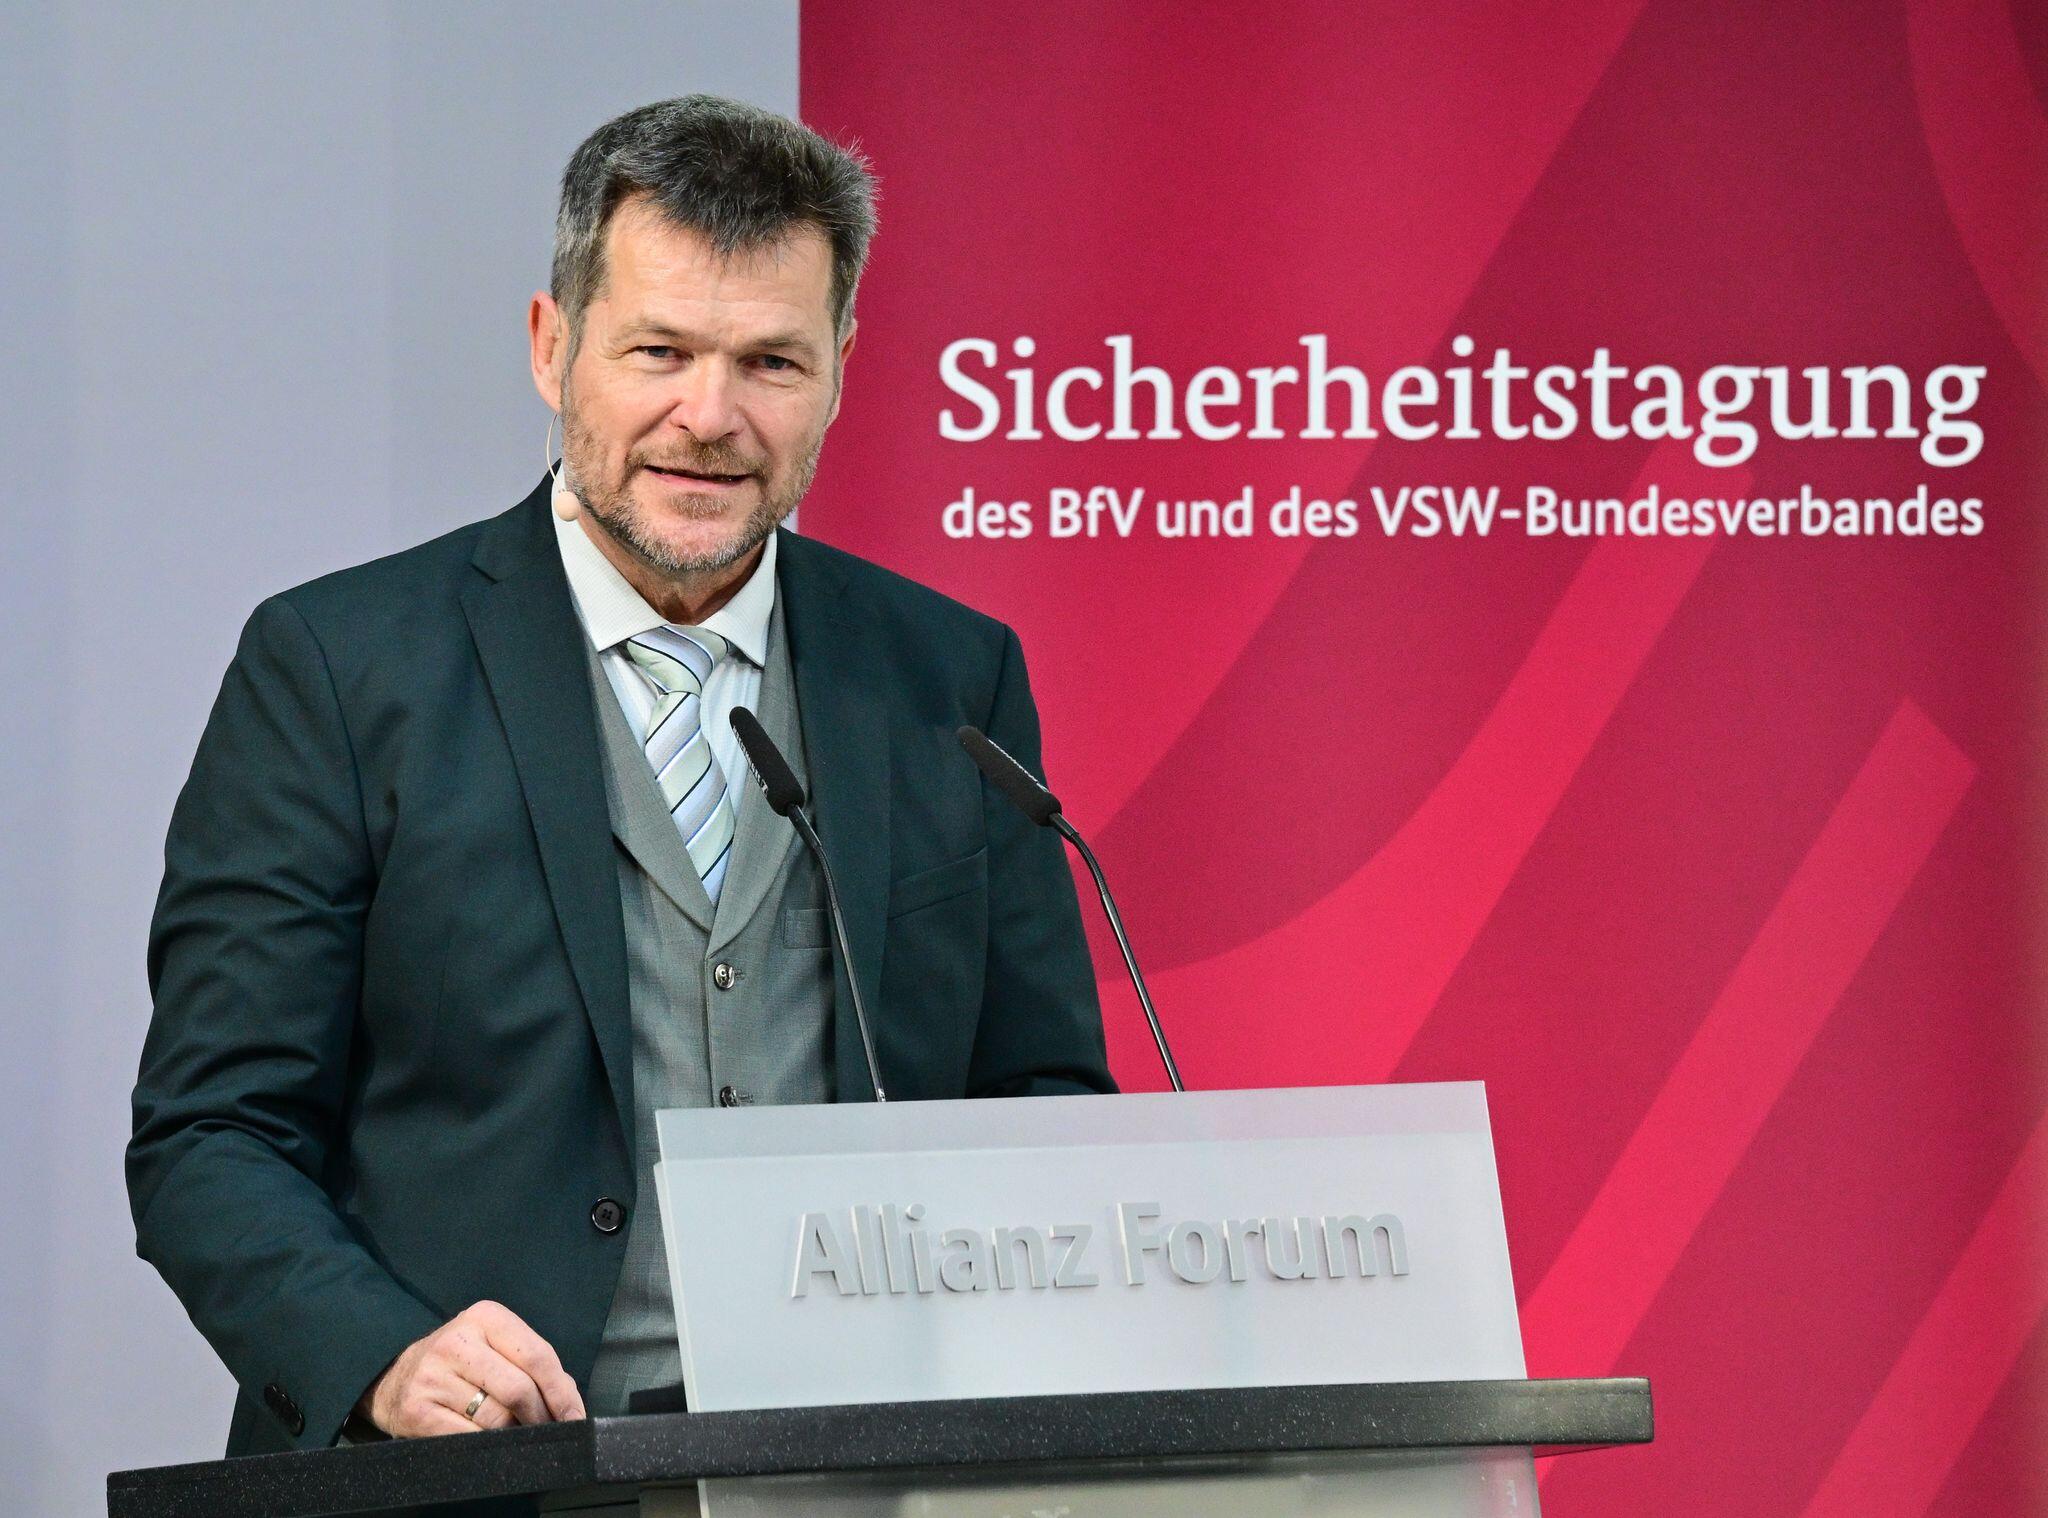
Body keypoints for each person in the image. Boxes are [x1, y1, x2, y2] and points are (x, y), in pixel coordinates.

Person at [127, 95, 1113, 1458]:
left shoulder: (949, 675)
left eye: (770, 361)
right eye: (660, 350)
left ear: (842, 369)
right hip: (466, 1483)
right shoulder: (340, 668)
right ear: (553, 346)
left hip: (858, 1475)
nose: (710, 417)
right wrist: (385, 1358)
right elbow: (212, 1132)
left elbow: (1042, 1099)